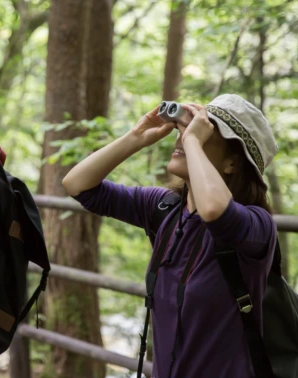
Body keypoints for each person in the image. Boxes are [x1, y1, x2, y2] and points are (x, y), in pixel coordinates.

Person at [62, 95, 278, 377]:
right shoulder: (163, 208)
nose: (183, 138)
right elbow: (78, 185)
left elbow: (216, 211)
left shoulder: (257, 226)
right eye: (182, 131)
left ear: (232, 164)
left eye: (202, 134)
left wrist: (191, 142)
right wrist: (137, 136)